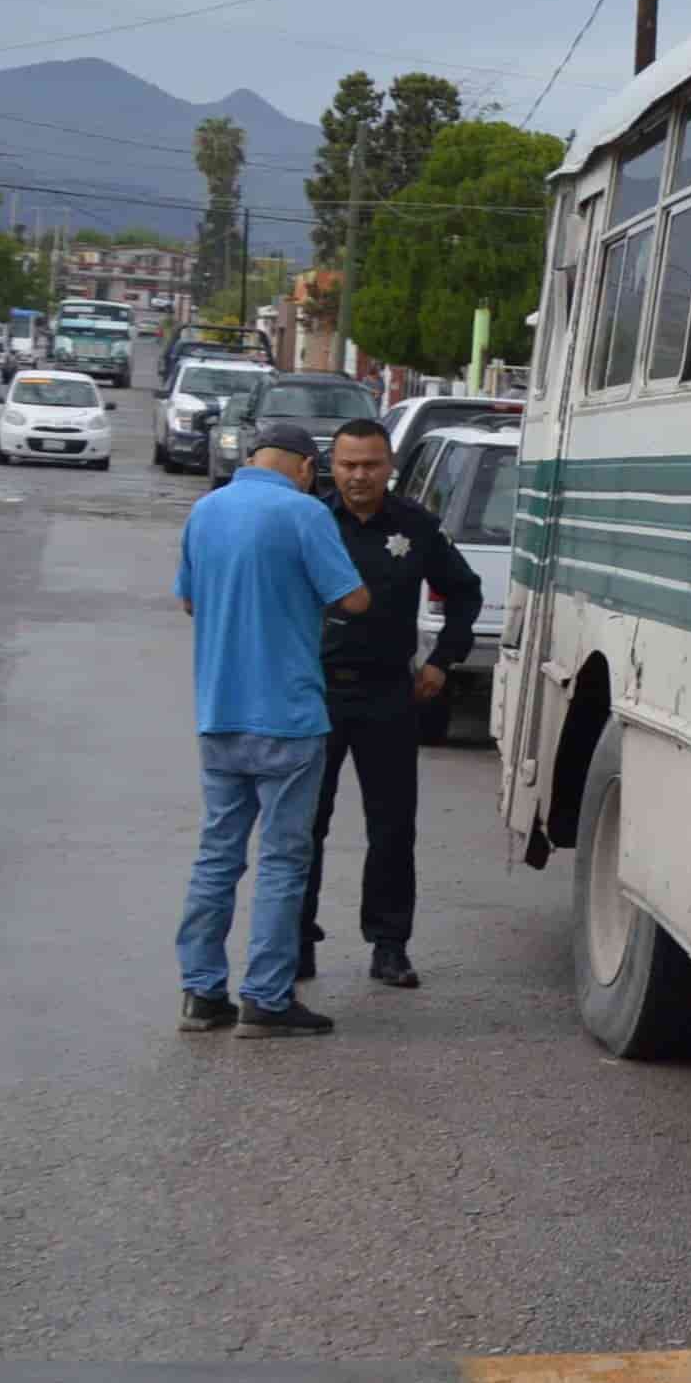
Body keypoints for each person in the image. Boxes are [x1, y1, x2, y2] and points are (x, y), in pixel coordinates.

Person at [172, 419, 372, 1036]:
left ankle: (202, 993)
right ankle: (266, 996)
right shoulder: (303, 514)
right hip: (288, 716)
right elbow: (354, 599)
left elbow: (188, 600)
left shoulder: (205, 511)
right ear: (307, 468)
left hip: (220, 711)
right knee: (285, 860)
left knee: (217, 855)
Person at [298, 415, 481, 989]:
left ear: (390, 466)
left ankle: (389, 944)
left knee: (393, 827)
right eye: (348, 464)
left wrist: (441, 660)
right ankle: (295, 939)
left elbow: (466, 592)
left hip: (388, 694)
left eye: (371, 465)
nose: (358, 476)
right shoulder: (308, 522)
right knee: (303, 825)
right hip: (315, 694)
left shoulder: (416, 526)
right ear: (332, 466)